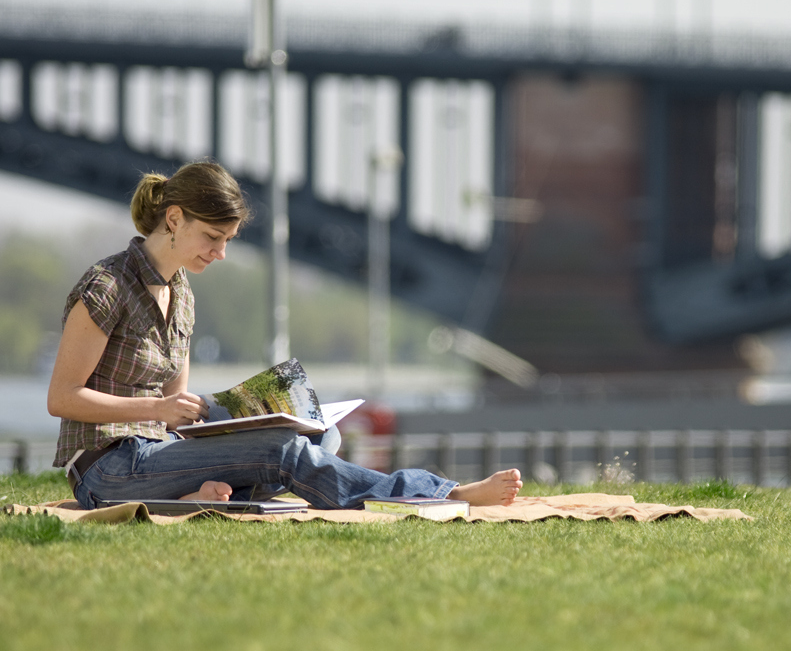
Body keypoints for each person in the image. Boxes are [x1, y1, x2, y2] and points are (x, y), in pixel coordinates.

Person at [47, 160, 522, 510]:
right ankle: (440, 493)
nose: (221, 253)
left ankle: (197, 498)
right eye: (213, 237)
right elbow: (63, 397)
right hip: (107, 469)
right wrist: (158, 409)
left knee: (323, 434)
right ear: (174, 219)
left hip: (160, 451)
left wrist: (252, 410)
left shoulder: (183, 294)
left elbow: (177, 411)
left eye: (227, 241)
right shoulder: (106, 287)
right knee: (282, 452)